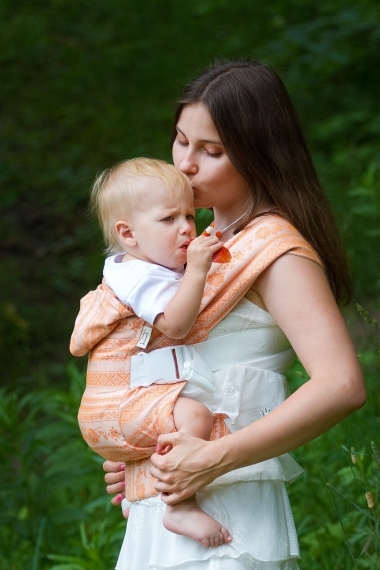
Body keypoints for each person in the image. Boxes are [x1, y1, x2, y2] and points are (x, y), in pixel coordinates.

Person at [100, 58, 365, 569]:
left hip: (230, 519)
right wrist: (140, 451)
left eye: (212, 151)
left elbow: (341, 383)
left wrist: (210, 458)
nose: (185, 165)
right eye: (181, 140)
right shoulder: (189, 252)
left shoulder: (277, 250)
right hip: (173, 508)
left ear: (259, 155)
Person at [70, 157, 234, 547]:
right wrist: (196, 271)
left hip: (117, 408)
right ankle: (180, 505)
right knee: (194, 414)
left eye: (190, 217)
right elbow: (176, 326)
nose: (186, 229)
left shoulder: (139, 268)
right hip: (116, 408)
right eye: (168, 220)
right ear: (128, 234)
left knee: (181, 417)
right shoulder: (141, 277)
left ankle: (142, 486)